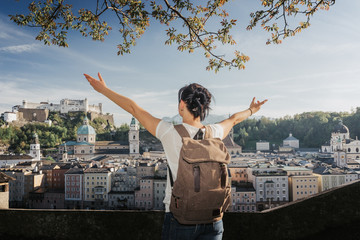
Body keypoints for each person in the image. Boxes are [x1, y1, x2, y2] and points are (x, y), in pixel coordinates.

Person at [84, 73, 267, 240]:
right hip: (213, 219)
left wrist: (104, 90)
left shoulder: (170, 133)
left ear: (181, 105)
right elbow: (234, 119)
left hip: (180, 220)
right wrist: (252, 110)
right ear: (204, 109)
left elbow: (134, 109)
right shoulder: (215, 132)